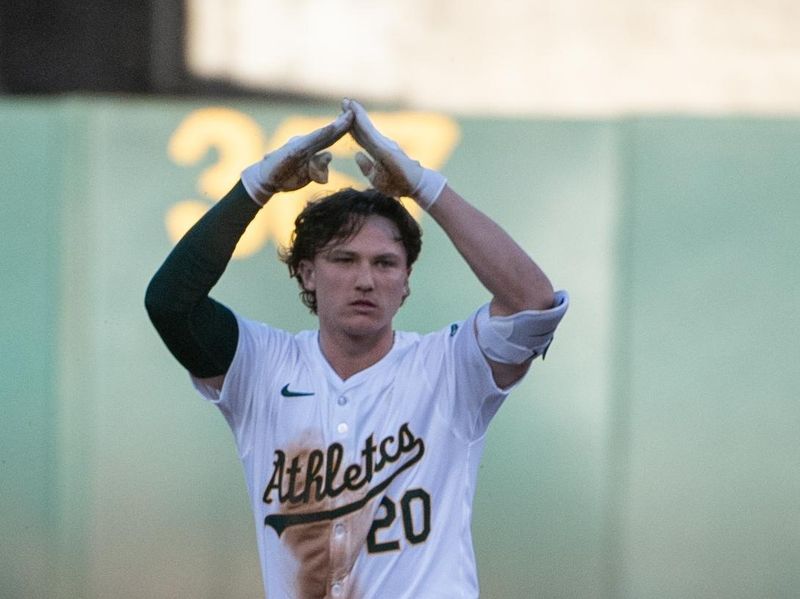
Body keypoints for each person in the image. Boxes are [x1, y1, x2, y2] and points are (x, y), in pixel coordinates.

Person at [145, 99, 568, 598]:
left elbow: (532, 303)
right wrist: (259, 184)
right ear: (307, 273)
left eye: (386, 264)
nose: (365, 279)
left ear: (406, 281)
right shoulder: (262, 366)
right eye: (343, 260)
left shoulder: (450, 368)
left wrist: (421, 186)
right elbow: (171, 303)